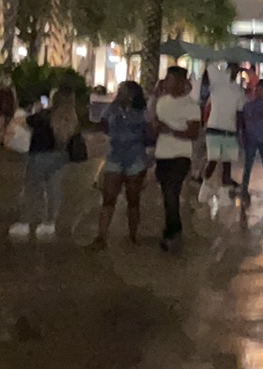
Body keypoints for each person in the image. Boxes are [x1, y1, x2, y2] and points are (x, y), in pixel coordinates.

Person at [14, 86, 81, 241]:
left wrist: (35, 111)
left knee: (32, 189)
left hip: (39, 156)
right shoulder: (72, 118)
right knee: (54, 189)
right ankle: (50, 222)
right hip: (60, 157)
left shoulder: (45, 115)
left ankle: (26, 222)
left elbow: (23, 122)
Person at [91, 79, 150, 249]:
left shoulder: (141, 111)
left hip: (135, 157)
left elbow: (148, 131)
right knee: (109, 198)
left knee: (133, 199)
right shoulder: (113, 108)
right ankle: (102, 236)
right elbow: (103, 124)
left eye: (124, 90)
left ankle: (132, 235)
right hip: (116, 156)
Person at [151, 67, 200, 253]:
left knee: (171, 192)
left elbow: (193, 133)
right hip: (162, 155)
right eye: (167, 79)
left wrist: (171, 130)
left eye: (171, 80)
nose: (167, 83)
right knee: (167, 195)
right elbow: (154, 126)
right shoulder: (162, 102)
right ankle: (174, 227)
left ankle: (171, 232)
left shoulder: (191, 106)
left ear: (180, 82)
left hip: (180, 156)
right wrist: (156, 128)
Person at [200, 64, 244, 204]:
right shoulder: (235, 90)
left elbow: (239, 113)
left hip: (219, 129)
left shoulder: (221, 85)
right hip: (224, 129)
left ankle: (211, 189)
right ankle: (216, 191)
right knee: (219, 162)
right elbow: (240, 113)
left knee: (221, 162)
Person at [237, 77, 263, 209]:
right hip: (259, 138)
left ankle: (252, 192)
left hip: (256, 138)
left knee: (253, 167)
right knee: (262, 167)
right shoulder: (262, 105)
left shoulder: (252, 105)